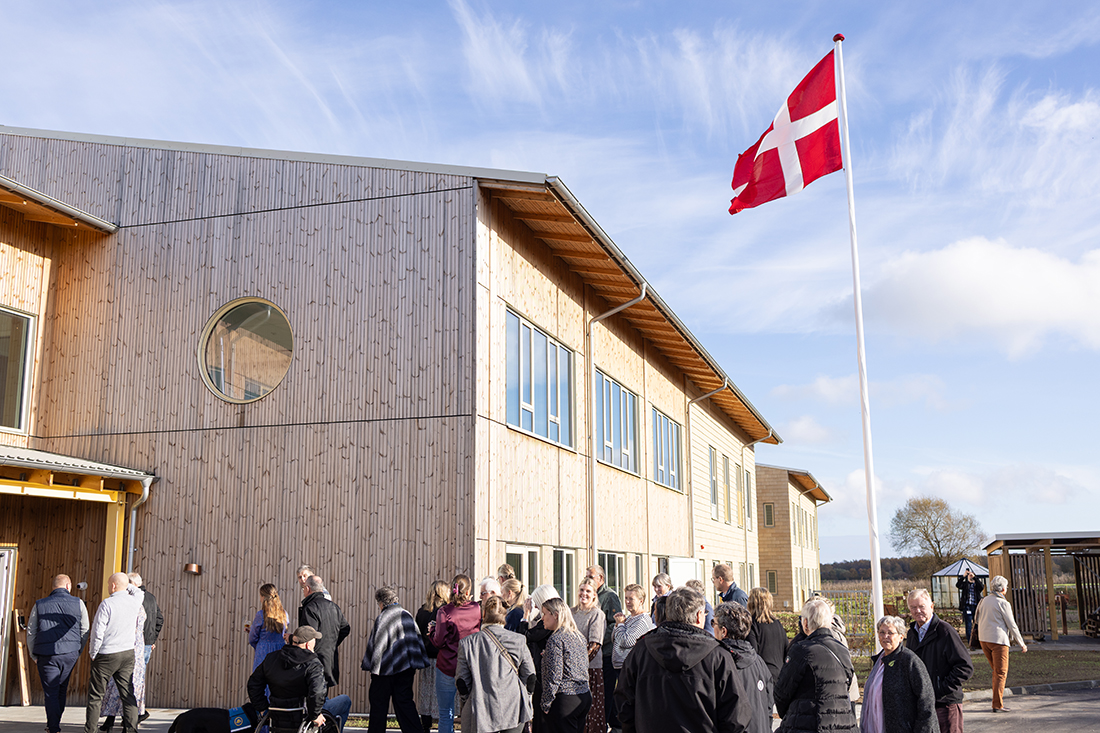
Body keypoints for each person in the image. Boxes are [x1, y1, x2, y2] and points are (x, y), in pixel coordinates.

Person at [616, 587, 750, 733]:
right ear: (699, 616)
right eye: (705, 614)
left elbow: (624, 703)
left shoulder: (641, 650)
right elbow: (736, 716)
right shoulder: (717, 656)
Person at [773, 598, 858, 733]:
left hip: (808, 723)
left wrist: (790, 714)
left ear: (805, 623)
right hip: (843, 723)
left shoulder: (801, 650)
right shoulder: (842, 650)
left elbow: (782, 691)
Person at [248, 625, 352, 731]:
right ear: (308, 645)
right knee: (345, 700)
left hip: (277, 714)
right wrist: (315, 715)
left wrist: (262, 708)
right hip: (304, 715)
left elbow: (253, 684)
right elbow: (317, 692)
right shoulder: (312, 663)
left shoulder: (271, 658)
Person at [456, 596, 536, 733]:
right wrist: (523, 695)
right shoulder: (519, 640)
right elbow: (530, 677)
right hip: (513, 708)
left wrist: (471, 698)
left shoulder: (468, 643)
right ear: (505, 615)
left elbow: (462, 681)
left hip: (481, 708)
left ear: (484, 614)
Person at [362, 586, 430, 733]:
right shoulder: (406, 615)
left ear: (381, 602)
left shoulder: (382, 618)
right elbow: (415, 640)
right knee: (404, 703)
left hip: (382, 671)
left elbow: (376, 645)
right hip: (406, 669)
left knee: (378, 705)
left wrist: (373, 664)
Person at [904, 588, 973, 733]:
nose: (918, 611)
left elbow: (965, 667)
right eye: (913, 607)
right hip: (923, 705)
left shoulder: (945, 631)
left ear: (931, 606)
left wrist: (940, 689)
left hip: (945, 704)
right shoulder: (912, 633)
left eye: (921, 606)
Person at [27, 574, 89, 733]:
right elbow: (85, 629)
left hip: (46, 654)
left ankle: (53, 727)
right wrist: (78, 650)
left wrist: (33, 654)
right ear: (68, 586)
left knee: (51, 692)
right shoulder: (78, 603)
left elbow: (31, 631)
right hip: (70, 653)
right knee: (61, 689)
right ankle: (54, 724)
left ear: (53, 586)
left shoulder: (39, 604)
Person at [84, 572, 143, 733]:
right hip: (127, 653)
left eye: (109, 584)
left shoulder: (107, 604)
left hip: (107, 654)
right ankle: (131, 730)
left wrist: (93, 652)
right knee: (127, 694)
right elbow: (139, 591)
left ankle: (91, 730)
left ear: (113, 586)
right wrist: (126, 584)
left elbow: (98, 631)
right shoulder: (135, 601)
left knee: (96, 695)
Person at [860, 616, 936, 733]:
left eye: (890, 633)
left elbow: (926, 700)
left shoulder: (909, 660)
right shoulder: (879, 661)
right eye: (882, 632)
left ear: (901, 637)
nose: (885, 636)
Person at [431, 574, 481, 733]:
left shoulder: (444, 611)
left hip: (447, 666)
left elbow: (438, 642)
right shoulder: (477, 609)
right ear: (468, 592)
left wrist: (431, 631)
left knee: (446, 713)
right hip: (469, 666)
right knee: (472, 712)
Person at [713, 602, 772, 733]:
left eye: (714, 623)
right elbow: (769, 706)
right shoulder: (758, 661)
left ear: (723, 631)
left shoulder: (718, 661)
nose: (712, 628)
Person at [98, 579, 148, 732]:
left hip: (127, 646)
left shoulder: (128, 604)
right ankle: (128, 723)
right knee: (129, 686)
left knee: (119, 685)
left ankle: (118, 721)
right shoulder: (138, 603)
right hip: (137, 647)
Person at [974, 575, 1028, 713]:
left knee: (996, 672)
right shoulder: (1003, 603)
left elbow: (976, 619)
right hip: (998, 641)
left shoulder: (983, 600)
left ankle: (997, 702)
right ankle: (997, 704)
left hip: (983, 639)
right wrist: (1021, 643)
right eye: (1007, 587)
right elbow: (1012, 624)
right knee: (1000, 673)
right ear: (1003, 589)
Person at [539, 597, 592, 733]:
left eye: (544, 613)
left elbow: (554, 676)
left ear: (555, 615)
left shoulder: (556, 639)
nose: (542, 618)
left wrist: (546, 702)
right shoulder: (579, 636)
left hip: (566, 699)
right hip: (583, 695)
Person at [583, 565, 622, 733]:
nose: (588, 579)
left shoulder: (609, 596)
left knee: (604, 692)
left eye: (591, 577)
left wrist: (597, 639)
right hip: (590, 653)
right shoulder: (589, 595)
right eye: (586, 576)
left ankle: (605, 724)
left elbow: (614, 623)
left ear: (601, 579)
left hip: (605, 653)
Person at [298, 575, 351, 688]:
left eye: (304, 588)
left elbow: (308, 635)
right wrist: (331, 643)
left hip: (314, 660)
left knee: (313, 694)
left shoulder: (310, 608)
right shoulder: (334, 607)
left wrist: (292, 638)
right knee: (323, 692)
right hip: (330, 659)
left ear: (307, 588)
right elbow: (345, 628)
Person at [521, 584, 560, 733]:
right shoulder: (549, 620)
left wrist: (525, 615)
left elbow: (525, 637)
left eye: (537, 603)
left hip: (544, 674)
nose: (535, 607)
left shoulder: (548, 623)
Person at [570, 580, 606, 733]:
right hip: (570, 669)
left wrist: (579, 664)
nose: (584, 594)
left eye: (588, 591)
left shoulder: (597, 614)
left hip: (589, 668)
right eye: (582, 590)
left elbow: (595, 645)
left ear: (594, 595)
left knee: (590, 710)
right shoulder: (571, 612)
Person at [416, 580, 449, 733]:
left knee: (426, 693)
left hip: (425, 658)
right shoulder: (446, 611)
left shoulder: (422, 611)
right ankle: (444, 724)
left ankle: (425, 725)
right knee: (442, 693)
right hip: (442, 658)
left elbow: (417, 634)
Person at [746, 587, 787, 686]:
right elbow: (787, 649)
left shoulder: (752, 625)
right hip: (779, 674)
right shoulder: (777, 624)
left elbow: (752, 655)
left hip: (762, 677)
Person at [611, 584, 654, 672]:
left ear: (641, 601)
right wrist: (617, 625)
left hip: (631, 667)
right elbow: (614, 639)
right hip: (621, 666)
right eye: (626, 598)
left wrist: (620, 624)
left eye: (631, 599)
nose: (627, 602)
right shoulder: (628, 618)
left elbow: (626, 641)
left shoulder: (642, 620)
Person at [249, 584, 289, 671]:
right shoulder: (284, 614)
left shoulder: (261, 615)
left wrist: (259, 645)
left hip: (264, 651)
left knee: (261, 675)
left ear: (263, 597)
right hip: (279, 650)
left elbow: (252, 638)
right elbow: (284, 632)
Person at [956, 569, 985, 642]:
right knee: (968, 625)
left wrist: (975, 577)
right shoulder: (965, 584)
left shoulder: (976, 585)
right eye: (969, 575)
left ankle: (977, 641)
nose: (970, 576)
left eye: (971, 575)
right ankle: (970, 642)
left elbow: (981, 587)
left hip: (976, 606)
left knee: (977, 624)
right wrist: (963, 576)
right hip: (967, 607)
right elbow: (958, 585)